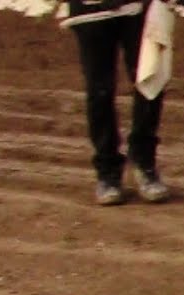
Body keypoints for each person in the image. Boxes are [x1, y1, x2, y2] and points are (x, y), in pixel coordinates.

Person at [60, 0, 172, 206]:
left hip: (137, 6)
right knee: (99, 89)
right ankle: (107, 170)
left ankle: (143, 160)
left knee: (149, 78)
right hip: (89, 10)